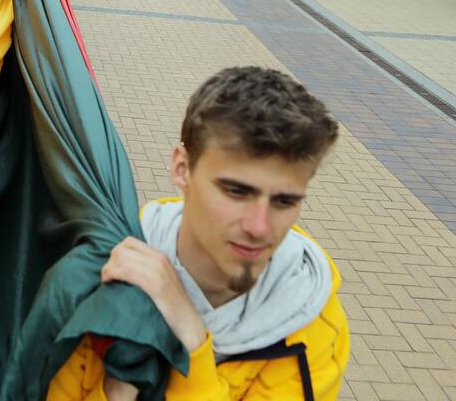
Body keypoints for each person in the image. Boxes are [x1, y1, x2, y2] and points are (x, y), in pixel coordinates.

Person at [47, 67, 348, 400]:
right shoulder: (105, 274)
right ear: (182, 169)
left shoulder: (314, 324)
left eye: (285, 201)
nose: (260, 227)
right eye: (236, 192)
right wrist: (119, 389)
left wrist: (193, 342)